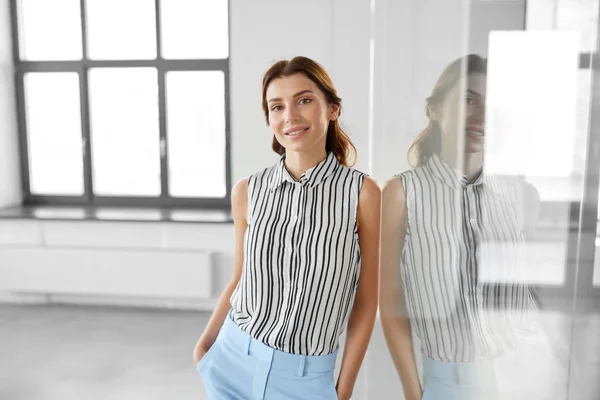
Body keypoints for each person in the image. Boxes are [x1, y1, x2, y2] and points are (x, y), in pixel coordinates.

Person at [193, 56, 381, 400]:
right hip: (231, 361)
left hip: (306, 378)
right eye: (276, 107)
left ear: (333, 109)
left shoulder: (362, 194)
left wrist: (343, 389)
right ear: (269, 119)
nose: (290, 116)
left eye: (304, 101)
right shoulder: (247, 191)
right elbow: (239, 277)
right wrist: (205, 346)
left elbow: (366, 300)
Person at [379, 54, 540, 400]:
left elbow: (526, 303)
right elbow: (390, 301)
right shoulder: (401, 194)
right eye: (469, 100)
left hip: (523, 380)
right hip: (447, 384)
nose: (482, 115)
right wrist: (413, 390)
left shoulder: (524, 196)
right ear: (435, 109)